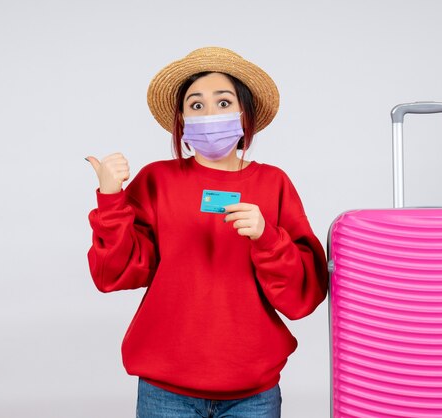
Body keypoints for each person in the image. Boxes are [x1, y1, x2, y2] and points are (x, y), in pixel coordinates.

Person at [85, 47, 328, 418]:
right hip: (165, 391)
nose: (210, 114)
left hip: (253, 393)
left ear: (245, 115)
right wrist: (111, 199)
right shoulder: (157, 180)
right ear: (181, 121)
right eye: (196, 105)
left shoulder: (273, 183)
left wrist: (267, 237)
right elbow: (113, 273)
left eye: (223, 102)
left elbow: (303, 296)